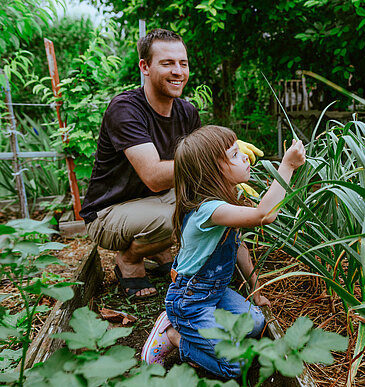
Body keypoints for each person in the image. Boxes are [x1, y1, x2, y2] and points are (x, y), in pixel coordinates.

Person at [79, 28, 263, 299]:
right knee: (182, 217)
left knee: (212, 203)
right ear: (145, 66)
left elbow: (200, 178)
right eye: (167, 63)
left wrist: (230, 186)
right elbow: (153, 175)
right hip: (109, 211)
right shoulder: (126, 109)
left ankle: (159, 249)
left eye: (183, 63)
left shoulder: (187, 112)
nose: (178, 71)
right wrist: (214, 159)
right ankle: (129, 260)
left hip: (155, 201)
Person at [140, 125, 305, 378]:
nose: (245, 158)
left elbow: (238, 247)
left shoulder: (227, 202)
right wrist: (287, 167)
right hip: (190, 300)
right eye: (235, 155)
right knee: (236, 366)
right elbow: (264, 215)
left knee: (258, 322)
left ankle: (196, 331)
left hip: (214, 293)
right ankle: (174, 336)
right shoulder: (209, 210)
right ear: (213, 171)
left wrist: (256, 289)